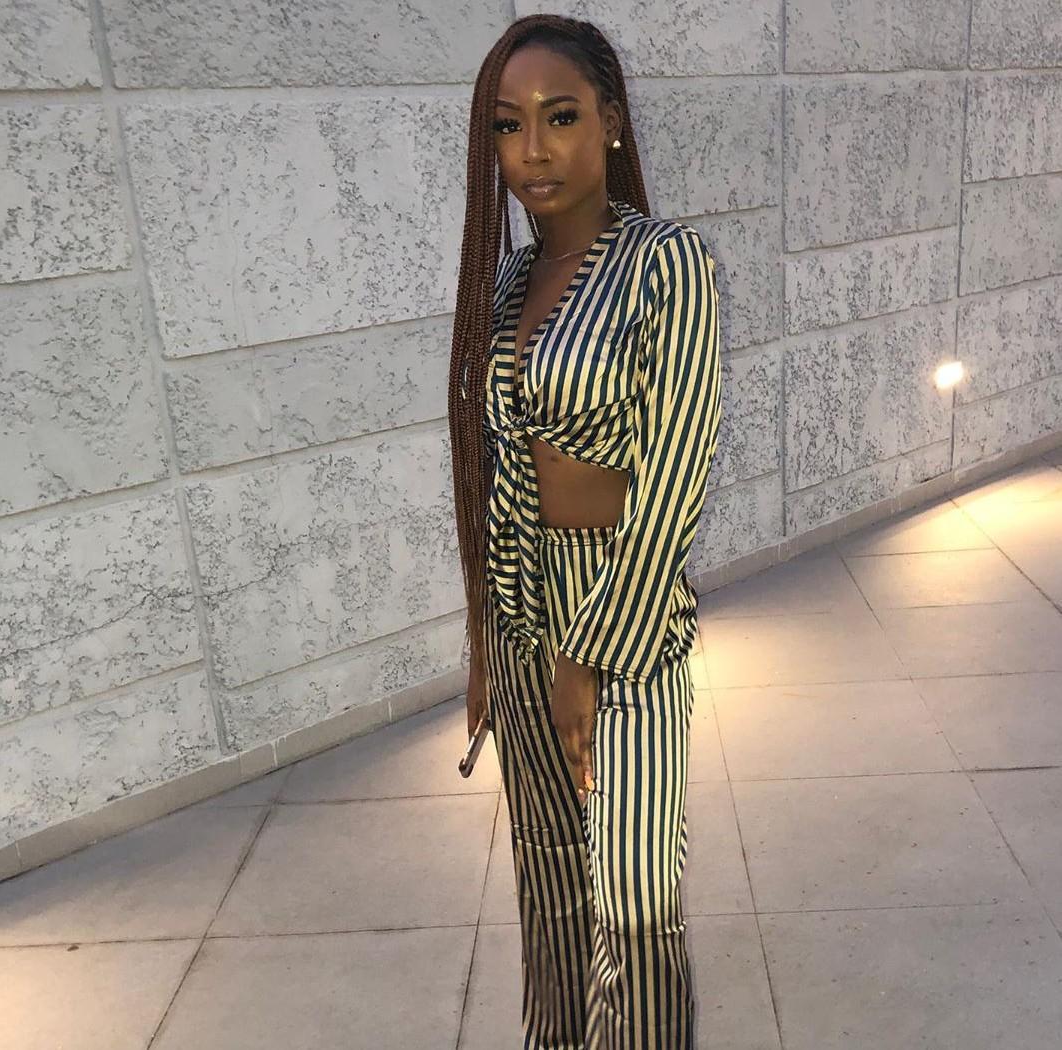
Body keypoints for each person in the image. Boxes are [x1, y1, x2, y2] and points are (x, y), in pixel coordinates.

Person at [447, 14, 723, 1049]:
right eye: (506, 125)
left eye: (559, 116)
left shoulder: (667, 263)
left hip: (627, 603)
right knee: (552, 878)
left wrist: (584, 656)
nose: (532, 150)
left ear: (608, 120)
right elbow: (497, 477)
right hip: (523, 605)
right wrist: (487, 645)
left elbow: (674, 476)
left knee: (637, 895)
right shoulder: (508, 284)